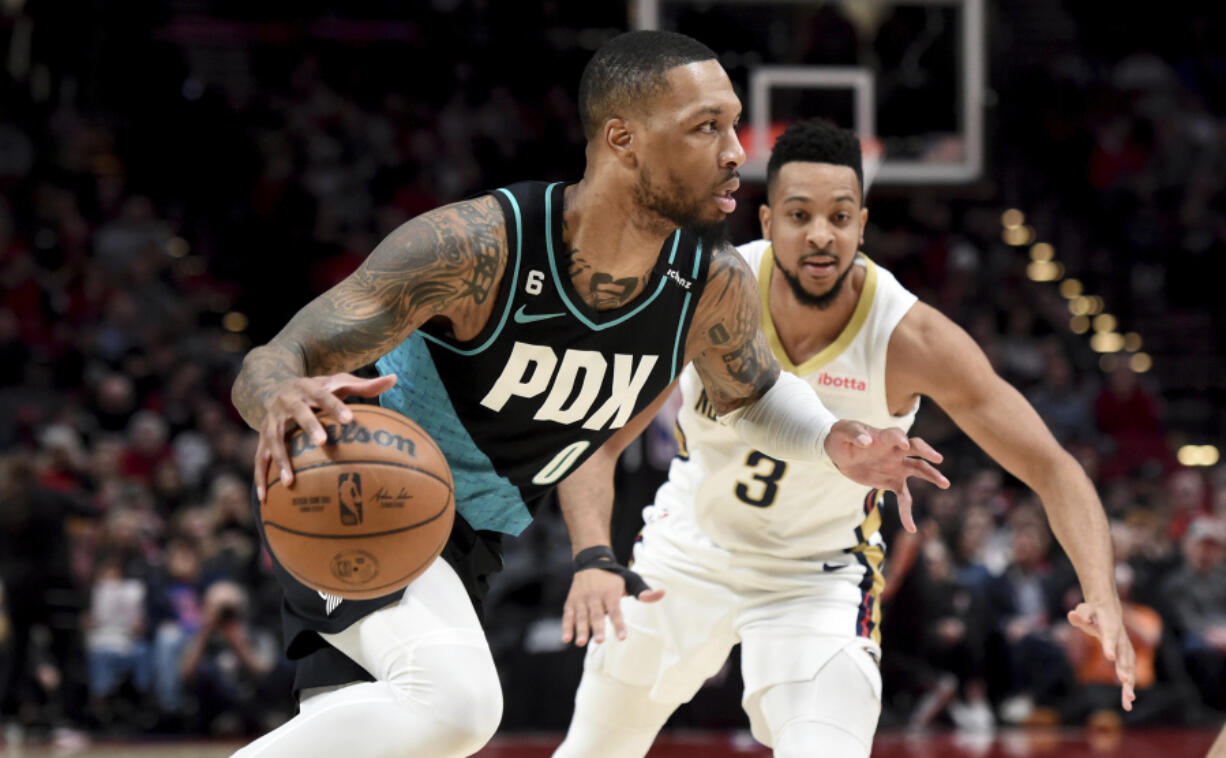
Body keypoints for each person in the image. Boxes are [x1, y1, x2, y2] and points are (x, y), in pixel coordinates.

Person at [228, 32, 946, 758]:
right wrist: (279, 400)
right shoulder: (480, 247)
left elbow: (753, 393)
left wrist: (836, 439)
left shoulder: (707, 283)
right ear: (624, 139)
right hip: (355, 493)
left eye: (733, 125)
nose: (736, 150)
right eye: (707, 127)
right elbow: (277, 358)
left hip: (464, 537)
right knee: (457, 705)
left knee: (384, 731)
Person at [553, 120, 1136, 758]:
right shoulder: (702, 296)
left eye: (839, 216)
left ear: (862, 222)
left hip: (816, 578)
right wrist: (592, 556)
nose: (821, 235)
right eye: (800, 215)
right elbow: (598, 442)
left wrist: (1101, 593)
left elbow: (1052, 467)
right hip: (688, 549)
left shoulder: (912, 340)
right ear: (768, 221)